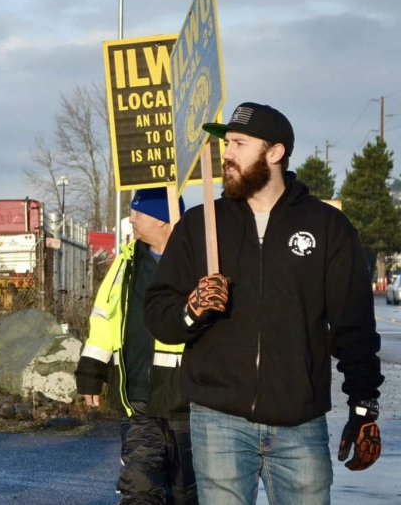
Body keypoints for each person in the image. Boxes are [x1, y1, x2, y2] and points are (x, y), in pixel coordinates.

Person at [145, 103, 384, 505]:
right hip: (217, 418)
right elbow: (157, 313)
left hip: (299, 422)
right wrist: (191, 310)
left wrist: (363, 406)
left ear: (275, 153)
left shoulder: (327, 228)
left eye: (239, 143)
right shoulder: (200, 226)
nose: (227, 154)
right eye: (225, 143)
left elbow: (354, 325)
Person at [75, 188, 196, 505]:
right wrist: (91, 372)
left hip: (190, 401)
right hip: (139, 399)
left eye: (139, 212)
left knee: (189, 494)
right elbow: (104, 318)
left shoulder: (200, 264)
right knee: (140, 491)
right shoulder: (126, 263)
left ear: (164, 220)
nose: (131, 219)